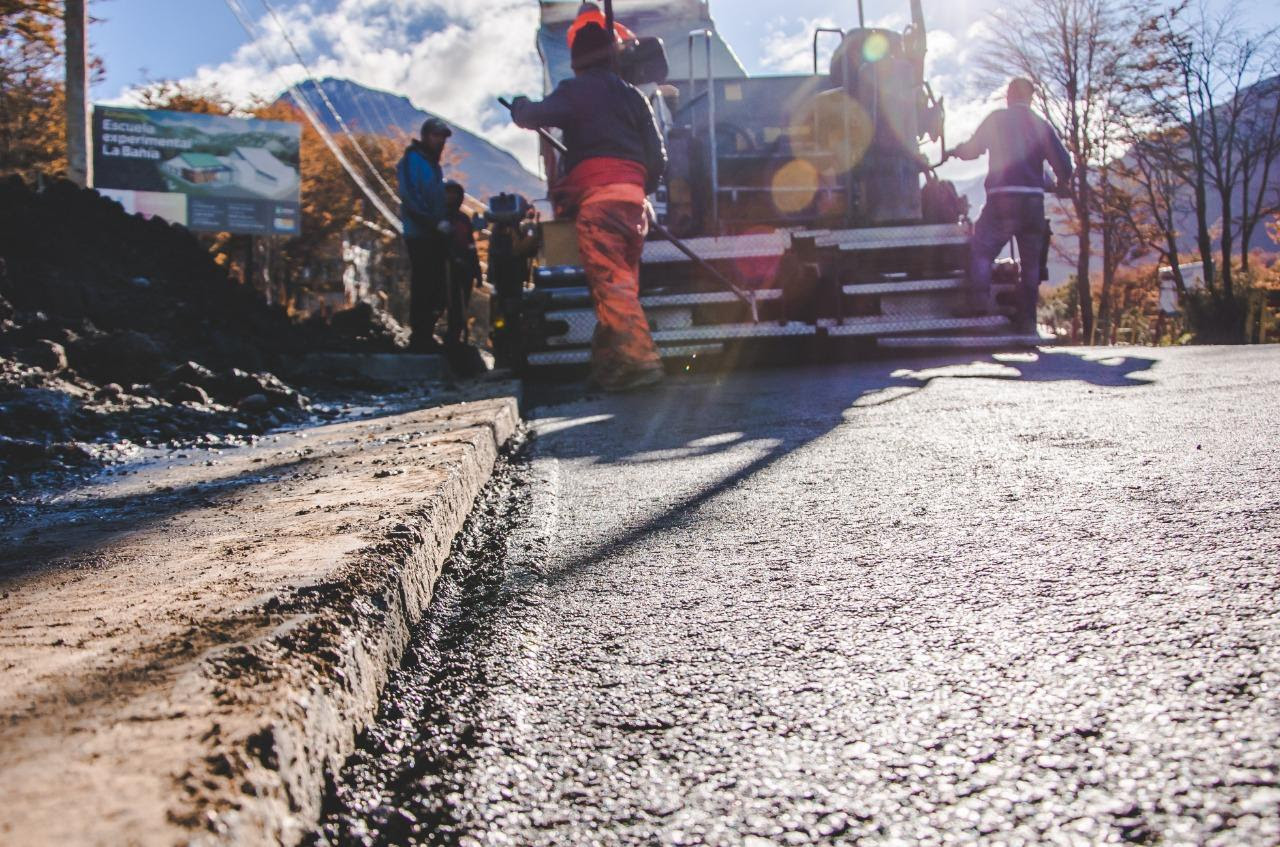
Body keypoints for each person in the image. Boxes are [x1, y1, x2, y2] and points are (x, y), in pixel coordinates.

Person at [509, 21, 668, 392]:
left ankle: (642, 363)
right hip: (634, 206)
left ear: (576, 60)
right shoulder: (633, 96)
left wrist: (519, 106)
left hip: (601, 206)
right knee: (617, 286)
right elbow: (658, 157)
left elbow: (531, 117)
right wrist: (640, 189)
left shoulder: (575, 91)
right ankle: (611, 368)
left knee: (612, 288)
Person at [949, 78, 1073, 333]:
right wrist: (1060, 184)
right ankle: (1026, 318)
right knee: (1031, 262)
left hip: (1002, 200)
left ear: (1009, 95)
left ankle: (979, 304)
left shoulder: (997, 120)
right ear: (1030, 98)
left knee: (982, 251)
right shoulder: (1040, 125)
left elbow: (973, 150)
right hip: (1033, 203)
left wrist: (956, 150)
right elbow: (1065, 165)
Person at [396, 116, 453, 352]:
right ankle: (420, 336)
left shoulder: (432, 164)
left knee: (437, 286)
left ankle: (427, 332)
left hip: (434, 233)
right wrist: (432, 222)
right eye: (435, 135)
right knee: (424, 283)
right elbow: (411, 198)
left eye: (442, 137)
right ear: (425, 135)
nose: (440, 141)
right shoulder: (412, 160)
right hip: (420, 233)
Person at [442, 180, 481, 348]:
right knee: (443, 302)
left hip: (465, 269)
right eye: (448, 193)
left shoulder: (463, 219)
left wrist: (477, 271)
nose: (451, 196)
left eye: (455, 193)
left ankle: (455, 338)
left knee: (461, 306)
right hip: (445, 268)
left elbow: (471, 246)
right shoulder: (439, 216)